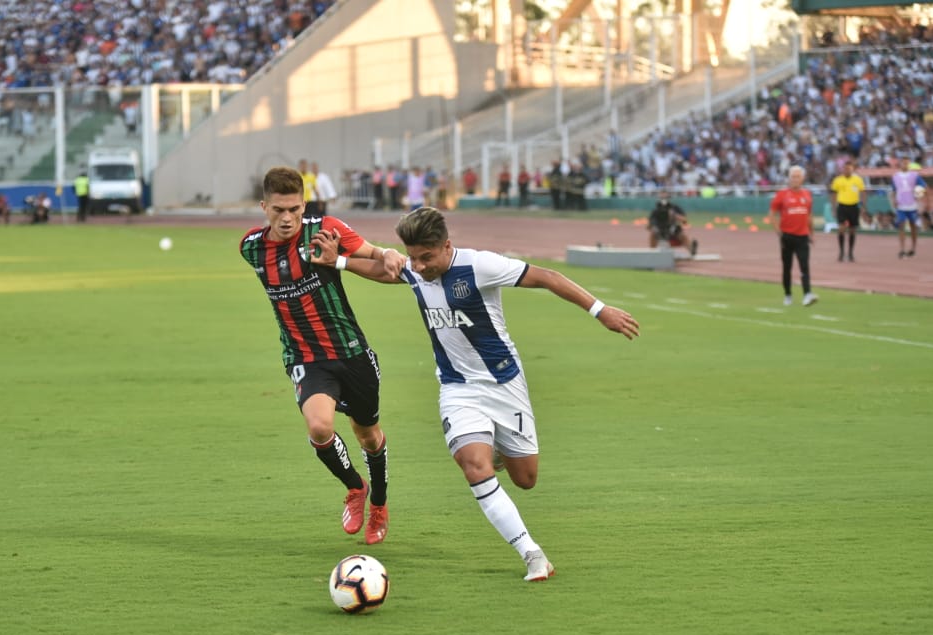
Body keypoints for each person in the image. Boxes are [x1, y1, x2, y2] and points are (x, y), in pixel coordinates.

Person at [310, 207, 639, 582]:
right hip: (457, 388)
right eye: (413, 257)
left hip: (503, 385)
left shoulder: (480, 266)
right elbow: (386, 271)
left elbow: (547, 277)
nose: (417, 266)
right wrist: (338, 262)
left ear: (446, 246)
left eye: (426, 257)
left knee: (526, 479)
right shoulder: (416, 268)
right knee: (473, 466)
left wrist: (600, 311)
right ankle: (532, 553)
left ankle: (495, 449)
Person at [238, 166, 404, 545]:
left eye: (294, 209)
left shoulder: (326, 230)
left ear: (304, 205)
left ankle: (379, 504)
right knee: (319, 427)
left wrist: (386, 253)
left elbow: (378, 260)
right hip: (304, 356)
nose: (286, 218)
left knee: (369, 436)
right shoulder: (251, 248)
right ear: (264, 207)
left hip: (351, 352)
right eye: (278, 209)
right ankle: (355, 487)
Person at [768, 165, 818, 307]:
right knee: (787, 267)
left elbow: (809, 215)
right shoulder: (782, 195)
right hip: (787, 236)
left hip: (803, 236)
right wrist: (778, 232)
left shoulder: (807, 195)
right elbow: (772, 214)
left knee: (804, 266)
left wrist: (812, 233)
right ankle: (788, 294)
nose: (795, 179)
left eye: (798, 176)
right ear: (789, 179)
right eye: (793, 177)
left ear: (802, 178)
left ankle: (807, 294)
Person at [829, 160, 866, 262]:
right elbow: (833, 193)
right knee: (841, 228)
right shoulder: (838, 180)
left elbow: (863, 192)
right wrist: (833, 207)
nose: (847, 170)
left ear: (852, 169)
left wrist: (863, 206)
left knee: (852, 230)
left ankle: (850, 253)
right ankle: (841, 252)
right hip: (842, 206)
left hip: (854, 206)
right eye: (845, 168)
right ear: (843, 169)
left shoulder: (858, 180)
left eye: (849, 168)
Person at [890, 161, 927, 258]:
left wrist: (919, 197)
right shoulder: (896, 176)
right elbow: (894, 190)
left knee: (913, 226)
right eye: (903, 163)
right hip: (901, 205)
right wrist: (894, 200)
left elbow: (923, 187)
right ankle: (902, 249)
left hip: (912, 205)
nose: (904, 165)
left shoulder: (915, 175)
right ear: (900, 165)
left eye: (906, 163)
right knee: (901, 226)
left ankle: (913, 248)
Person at [647, 189, 698, 256]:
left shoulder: (674, 208)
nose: (664, 200)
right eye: (662, 198)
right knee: (653, 233)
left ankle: (691, 250)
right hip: (660, 230)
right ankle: (652, 253)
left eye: (665, 198)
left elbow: (684, 220)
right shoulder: (656, 210)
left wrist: (675, 215)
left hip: (672, 229)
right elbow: (650, 223)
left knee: (682, 234)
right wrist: (652, 226)